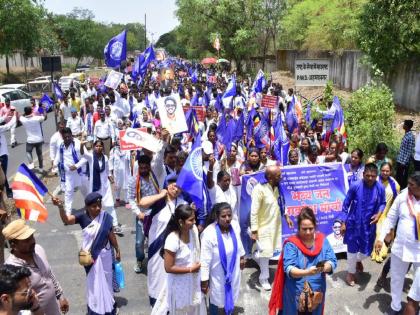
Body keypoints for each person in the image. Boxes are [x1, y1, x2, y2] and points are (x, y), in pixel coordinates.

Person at [53, 192, 121, 315]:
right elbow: (67, 220)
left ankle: (109, 305)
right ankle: (95, 306)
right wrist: (60, 207)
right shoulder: (82, 217)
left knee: (107, 279)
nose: (98, 208)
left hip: (106, 255)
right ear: (87, 207)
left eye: (99, 205)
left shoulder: (105, 217)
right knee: (93, 281)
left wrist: (117, 250)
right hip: (90, 257)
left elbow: (111, 235)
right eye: (94, 206)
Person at [269, 207, 337, 315]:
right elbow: (289, 269)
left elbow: (332, 261)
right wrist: (307, 272)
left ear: (315, 226)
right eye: (304, 229)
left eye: (311, 228)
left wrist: (325, 267)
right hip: (295, 295)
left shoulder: (322, 240)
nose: (308, 232)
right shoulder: (292, 244)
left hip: (316, 295)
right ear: (298, 228)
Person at [375, 174, 420, 315]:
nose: (409, 187)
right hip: (401, 247)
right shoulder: (403, 196)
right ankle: (395, 306)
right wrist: (380, 238)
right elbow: (391, 218)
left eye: (412, 185)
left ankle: (414, 306)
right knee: (396, 278)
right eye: (408, 183)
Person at [2, 219, 69, 314]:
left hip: (54, 309)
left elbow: (49, 273)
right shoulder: (12, 268)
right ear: (13, 245)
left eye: (32, 237)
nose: (32, 241)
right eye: (26, 240)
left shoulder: (38, 249)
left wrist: (60, 296)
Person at [152, 204, 204, 315]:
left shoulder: (193, 231)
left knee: (193, 309)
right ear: (181, 222)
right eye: (191, 220)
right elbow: (168, 267)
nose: (195, 222)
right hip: (178, 285)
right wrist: (190, 269)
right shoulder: (172, 239)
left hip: (193, 281)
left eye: (194, 218)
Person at [340, 163, 386, 286]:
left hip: (369, 226)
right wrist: (343, 222)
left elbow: (383, 203)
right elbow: (346, 205)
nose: (370, 178)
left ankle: (356, 261)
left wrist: (379, 213)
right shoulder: (355, 186)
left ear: (376, 176)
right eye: (367, 175)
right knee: (352, 249)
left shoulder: (380, 188)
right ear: (363, 174)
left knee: (367, 252)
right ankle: (350, 273)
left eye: (373, 176)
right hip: (353, 224)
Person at [250, 165, 294, 291]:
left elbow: (281, 203)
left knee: (268, 252)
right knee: (266, 252)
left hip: (275, 226)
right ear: (270, 177)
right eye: (279, 175)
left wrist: (287, 217)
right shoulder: (259, 189)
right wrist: (254, 231)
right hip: (263, 227)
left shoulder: (278, 187)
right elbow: (254, 211)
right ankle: (263, 278)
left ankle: (255, 256)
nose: (281, 177)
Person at [147, 173, 186, 307]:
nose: (176, 189)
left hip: (175, 247)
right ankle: (156, 305)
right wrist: (160, 195)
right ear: (167, 185)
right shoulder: (158, 202)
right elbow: (141, 203)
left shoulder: (182, 204)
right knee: (157, 276)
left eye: (179, 187)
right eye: (173, 186)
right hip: (156, 247)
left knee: (172, 276)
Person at [200, 202, 246, 315]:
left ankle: (228, 312)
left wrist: (241, 257)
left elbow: (238, 243)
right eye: (223, 216)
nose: (227, 219)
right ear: (217, 216)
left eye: (229, 215)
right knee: (215, 296)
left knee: (232, 294)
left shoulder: (234, 225)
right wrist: (204, 281)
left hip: (233, 270)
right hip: (217, 274)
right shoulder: (209, 233)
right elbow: (205, 260)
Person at [127, 154, 162, 273]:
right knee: (139, 242)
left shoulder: (154, 177)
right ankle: (140, 259)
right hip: (142, 214)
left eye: (145, 168)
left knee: (156, 239)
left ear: (149, 167)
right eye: (141, 168)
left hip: (156, 213)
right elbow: (131, 199)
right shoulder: (133, 180)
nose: (143, 170)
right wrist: (138, 213)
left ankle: (156, 261)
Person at [83, 140, 123, 235]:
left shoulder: (105, 158)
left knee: (109, 206)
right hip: (95, 187)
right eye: (96, 146)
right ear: (93, 147)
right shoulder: (91, 157)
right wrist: (81, 145)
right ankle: (93, 225)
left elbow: (108, 172)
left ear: (103, 148)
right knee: (94, 207)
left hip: (105, 186)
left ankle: (115, 225)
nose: (98, 148)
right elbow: (83, 153)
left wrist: (113, 182)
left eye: (100, 146)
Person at [53, 128, 87, 215]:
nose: (67, 139)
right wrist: (55, 164)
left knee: (85, 191)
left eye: (69, 137)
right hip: (68, 174)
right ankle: (68, 213)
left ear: (71, 135)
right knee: (68, 193)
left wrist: (76, 166)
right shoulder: (61, 145)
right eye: (65, 137)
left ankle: (89, 206)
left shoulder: (78, 144)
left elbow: (85, 158)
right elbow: (58, 156)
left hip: (79, 172)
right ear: (62, 138)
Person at [372, 162, 400, 263]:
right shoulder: (374, 180)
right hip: (373, 211)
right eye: (383, 170)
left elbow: (397, 202)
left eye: (387, 171)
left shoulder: (395, 185)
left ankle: (379, 252)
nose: (385, 172)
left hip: (386, 214)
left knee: (380, 232)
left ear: (391, 172)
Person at [19, 106, 47, 172]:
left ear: (25, 112)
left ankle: (31, 163)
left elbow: (20, 116)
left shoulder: (23, 120)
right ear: (31, 111)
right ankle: (41, 168)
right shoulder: (36, 118)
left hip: (30, 140)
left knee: (28, 151)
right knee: (39, 154)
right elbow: (45, 117)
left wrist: (25, 113)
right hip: (39, 140)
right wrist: (44, 110)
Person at [395, 120, 415, 189]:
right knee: (398, 177)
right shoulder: (407, 134)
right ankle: (397, 190)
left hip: (403, 163)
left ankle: (401, 191)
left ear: (406, 126)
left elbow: (410, 151)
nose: (403, 125)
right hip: (400, 160)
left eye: (404, 124)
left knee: (402, 179)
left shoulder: (410, 137)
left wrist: (404, 162)